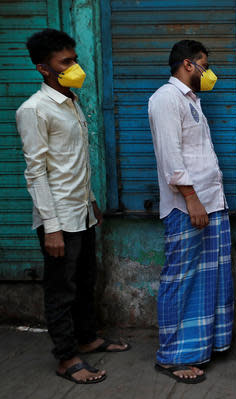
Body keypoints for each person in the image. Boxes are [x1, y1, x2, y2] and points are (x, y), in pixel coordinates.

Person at [16, 29, 130, 385]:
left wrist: (92, 201)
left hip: (80, 210)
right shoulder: (34, 110)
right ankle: (66, 357)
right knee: (60, 289)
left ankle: (87, 337)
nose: (74, 67)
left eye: (74, 59)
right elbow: (36, 173)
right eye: (65, 62)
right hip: (58, 218)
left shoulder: (72, 102)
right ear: (42, 69)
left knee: (84, 281)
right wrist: (51, 227)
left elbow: (73, 163)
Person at [148, 39, 233, 384]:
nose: (208, 72)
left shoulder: (192, 101)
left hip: (211, 204)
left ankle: (198, 347)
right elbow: (172, 158)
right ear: (188, 65)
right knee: (180, 279)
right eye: (204, 65)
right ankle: (171, 356)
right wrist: (192, 200)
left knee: (207, 279)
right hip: (189, 207)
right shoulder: (165, 100)